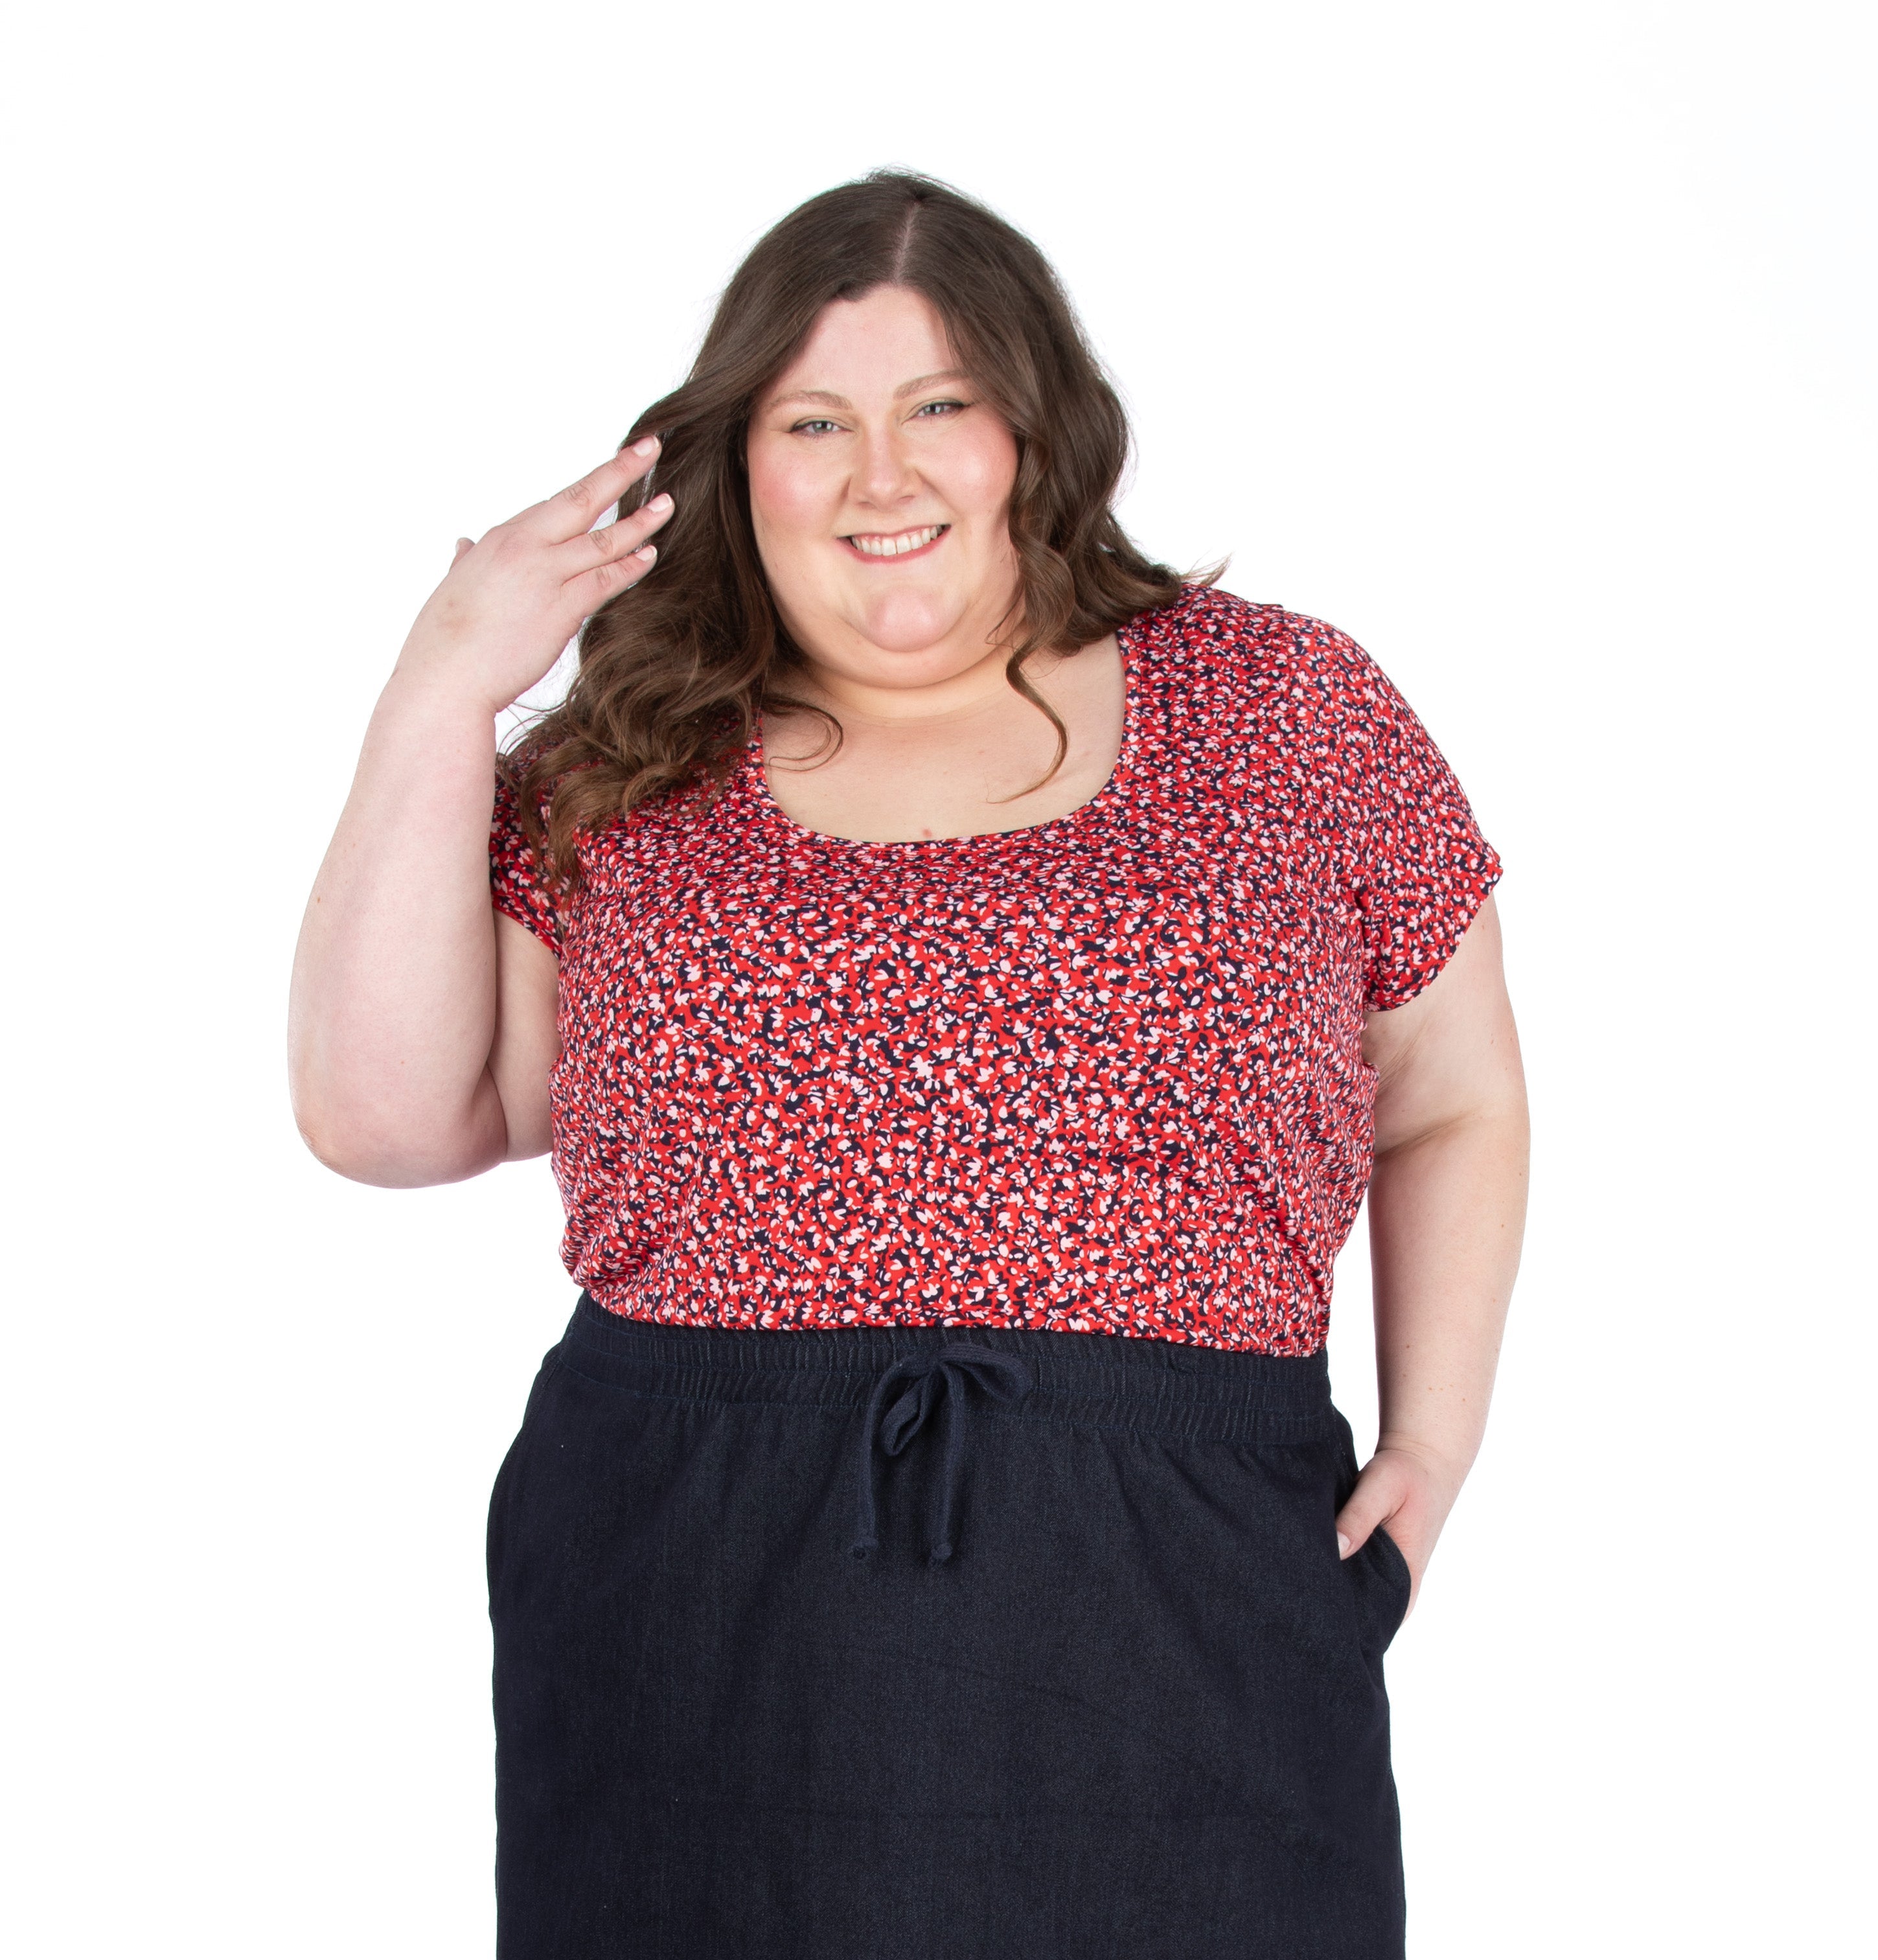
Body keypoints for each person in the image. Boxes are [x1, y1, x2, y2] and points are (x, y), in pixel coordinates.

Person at [289, 169, 1529, 1960]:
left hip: (1181, 1593)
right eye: (816, 423)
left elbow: (1456, 1090)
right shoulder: (636, 754)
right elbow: (384, 1111)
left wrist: (1432, 1432)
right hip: (696, 1594)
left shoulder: (1288, 710)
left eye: (941, 405)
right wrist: (446, 682)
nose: (885, 476)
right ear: (738, 461)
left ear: (1035, 425)